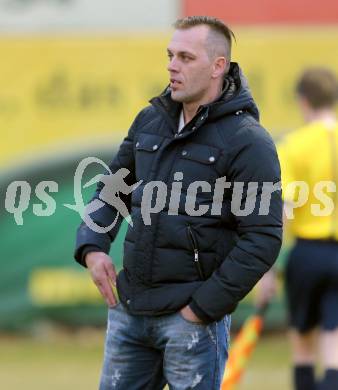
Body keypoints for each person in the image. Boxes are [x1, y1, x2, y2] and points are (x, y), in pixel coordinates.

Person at [74, 16, 283, 390]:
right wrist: (92, 245)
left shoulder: (249, 142)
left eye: (186, 57)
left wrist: (201, 309)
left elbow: (262, 237)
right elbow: (112, 189)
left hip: (192, 320)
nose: (172, 65)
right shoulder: (150, 120)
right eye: (170, 55)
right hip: (130, 310)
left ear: (219, 66)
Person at [258, 67, 338, 390]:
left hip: (306, 254)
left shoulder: (292, 146)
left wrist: (267, 269)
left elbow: (284, 210)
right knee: (334, 352)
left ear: (303, 101)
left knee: (303, 350)